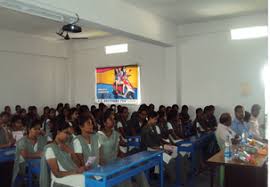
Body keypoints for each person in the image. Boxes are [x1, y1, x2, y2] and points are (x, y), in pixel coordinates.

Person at [98, 110, 149, 187]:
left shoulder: (116, 134)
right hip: (106, 165)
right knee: (124, 172)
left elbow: (118, 151)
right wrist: (107, 167)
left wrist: (127, 159)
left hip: (116, 161)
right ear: (104, 122)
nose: (113, 121)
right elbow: (98, 157)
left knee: (137, 167)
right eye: (111, 119)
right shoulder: (98, 136)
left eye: (114, 119)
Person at [40, 121, 85, 187]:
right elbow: (57, 174)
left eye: (69, 134)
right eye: (66, 133)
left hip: (72, 175)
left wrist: (71, 152)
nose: (68, 136)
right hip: (59, 179)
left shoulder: (67, 146)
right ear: (58, 132)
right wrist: (75, 172)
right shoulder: (50, 148)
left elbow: (78, 165)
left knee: (91, 178)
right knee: (85, 180)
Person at [12, 120, 47, 186]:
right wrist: (39, 154)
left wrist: (45, 134)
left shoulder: (42, 139)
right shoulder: (22, 141)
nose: (38, 131)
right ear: (29, 129)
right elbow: (25, 155)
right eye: (35, 129)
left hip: (37, 164)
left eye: (39, 129)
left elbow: (50, 145)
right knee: (43, 172)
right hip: (23, 166)